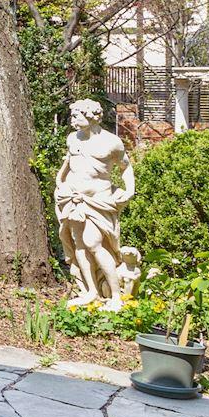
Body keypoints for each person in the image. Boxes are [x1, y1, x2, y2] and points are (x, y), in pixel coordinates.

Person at [54, 99, 139, 309]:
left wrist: (129, 190)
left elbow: (125, 168)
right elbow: (67, 165)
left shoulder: (111, 142)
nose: (72, 120)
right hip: (73, 199)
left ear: (90, 116)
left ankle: (116, 297)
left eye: (76, 116)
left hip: (98, 201)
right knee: (79, 244)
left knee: (93, 242)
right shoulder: (72, 139)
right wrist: (60, 183)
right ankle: (90, 291)